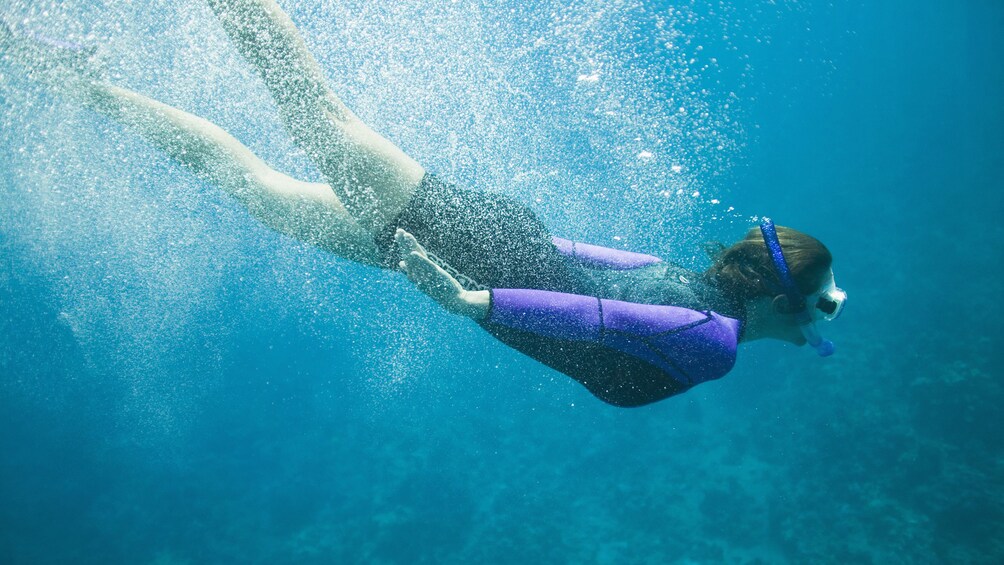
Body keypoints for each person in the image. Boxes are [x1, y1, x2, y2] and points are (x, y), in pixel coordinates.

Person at [0, 0, 845, 408]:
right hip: (463, 252)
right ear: (780, 298)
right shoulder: (716, 342)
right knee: (314, 112)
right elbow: (597, 319)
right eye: (824, 296)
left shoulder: (693, 295)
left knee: (256, 187)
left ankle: (86, 87)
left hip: (479, 247)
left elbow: (592, 259)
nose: (830, 311)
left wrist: (489, 271)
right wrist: (472, 297)